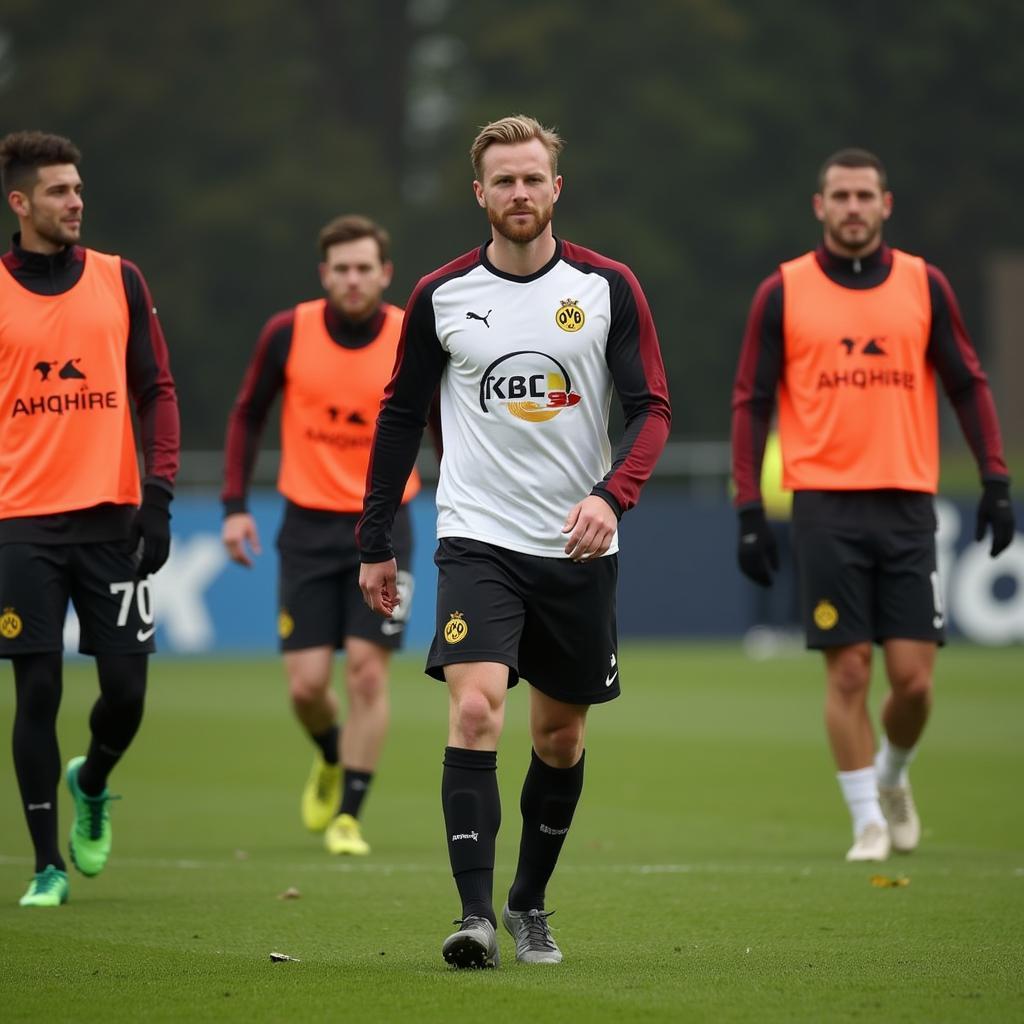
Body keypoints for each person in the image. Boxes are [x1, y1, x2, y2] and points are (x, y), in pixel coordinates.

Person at [358, 114, 671, 968]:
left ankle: (528, 901)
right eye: (505, 181)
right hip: (476, 538)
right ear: (480, 193)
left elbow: (652, 410)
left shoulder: (608, 287)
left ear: (556, 188)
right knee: (473, 708)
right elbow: (395, 417)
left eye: (534, 178)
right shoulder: (441, 295)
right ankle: (473, 918)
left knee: (559, 739)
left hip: (576, 546)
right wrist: (377, 534)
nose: (520, 193)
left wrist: (613, 497)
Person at [731, 148, 1016, 862]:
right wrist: (748, 509)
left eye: (865, 196)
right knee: (850, 670)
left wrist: (995, 479)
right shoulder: (783, 292)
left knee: (915, 683)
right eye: (840, 196)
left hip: (908, 504)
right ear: (819, 207)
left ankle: (891, 775)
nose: (853, 207)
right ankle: (867, 821)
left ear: (886, 205)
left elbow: (968, 384)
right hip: (825, 506)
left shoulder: (925, 284)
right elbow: (751, 402)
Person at [0, 131, 180, 906]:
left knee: (126, 696)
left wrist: (160, 494)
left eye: (78, 188)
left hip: (113, 520)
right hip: (21, 524)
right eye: (58, 191)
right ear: (20, 202)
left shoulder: (119, 278)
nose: (75, 202)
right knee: (36, 693)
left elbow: (157, 390)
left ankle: (94, 779)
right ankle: (47, 863)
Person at [222, 215, 421, 857]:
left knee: (366, 674)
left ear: (385, 273)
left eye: (365, 267)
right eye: (342, 268)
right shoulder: (288, 332)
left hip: (386, 525)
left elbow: (445, 419)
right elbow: (248, 414)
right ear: (324, 275)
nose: (354, 279)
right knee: (307, 687)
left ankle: (349, 818)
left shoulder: (409, 332)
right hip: (306, 526)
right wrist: (234, 503)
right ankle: (332, 758)